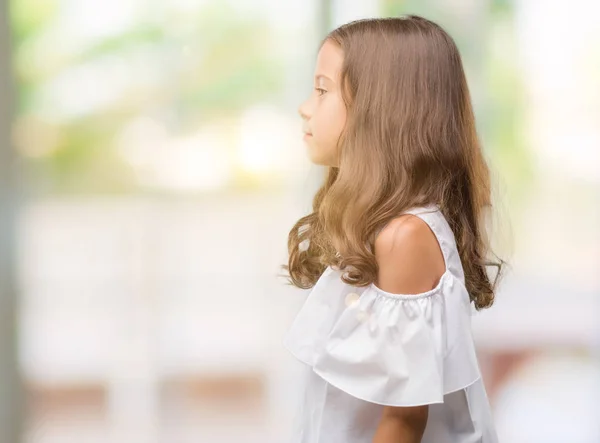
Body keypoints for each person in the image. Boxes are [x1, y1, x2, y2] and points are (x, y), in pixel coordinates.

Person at [282, 16, 504, 443]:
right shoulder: (380, 225)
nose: (305, 106)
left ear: (378, 110)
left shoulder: (405, 236)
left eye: (322, 90)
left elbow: (404, 420)